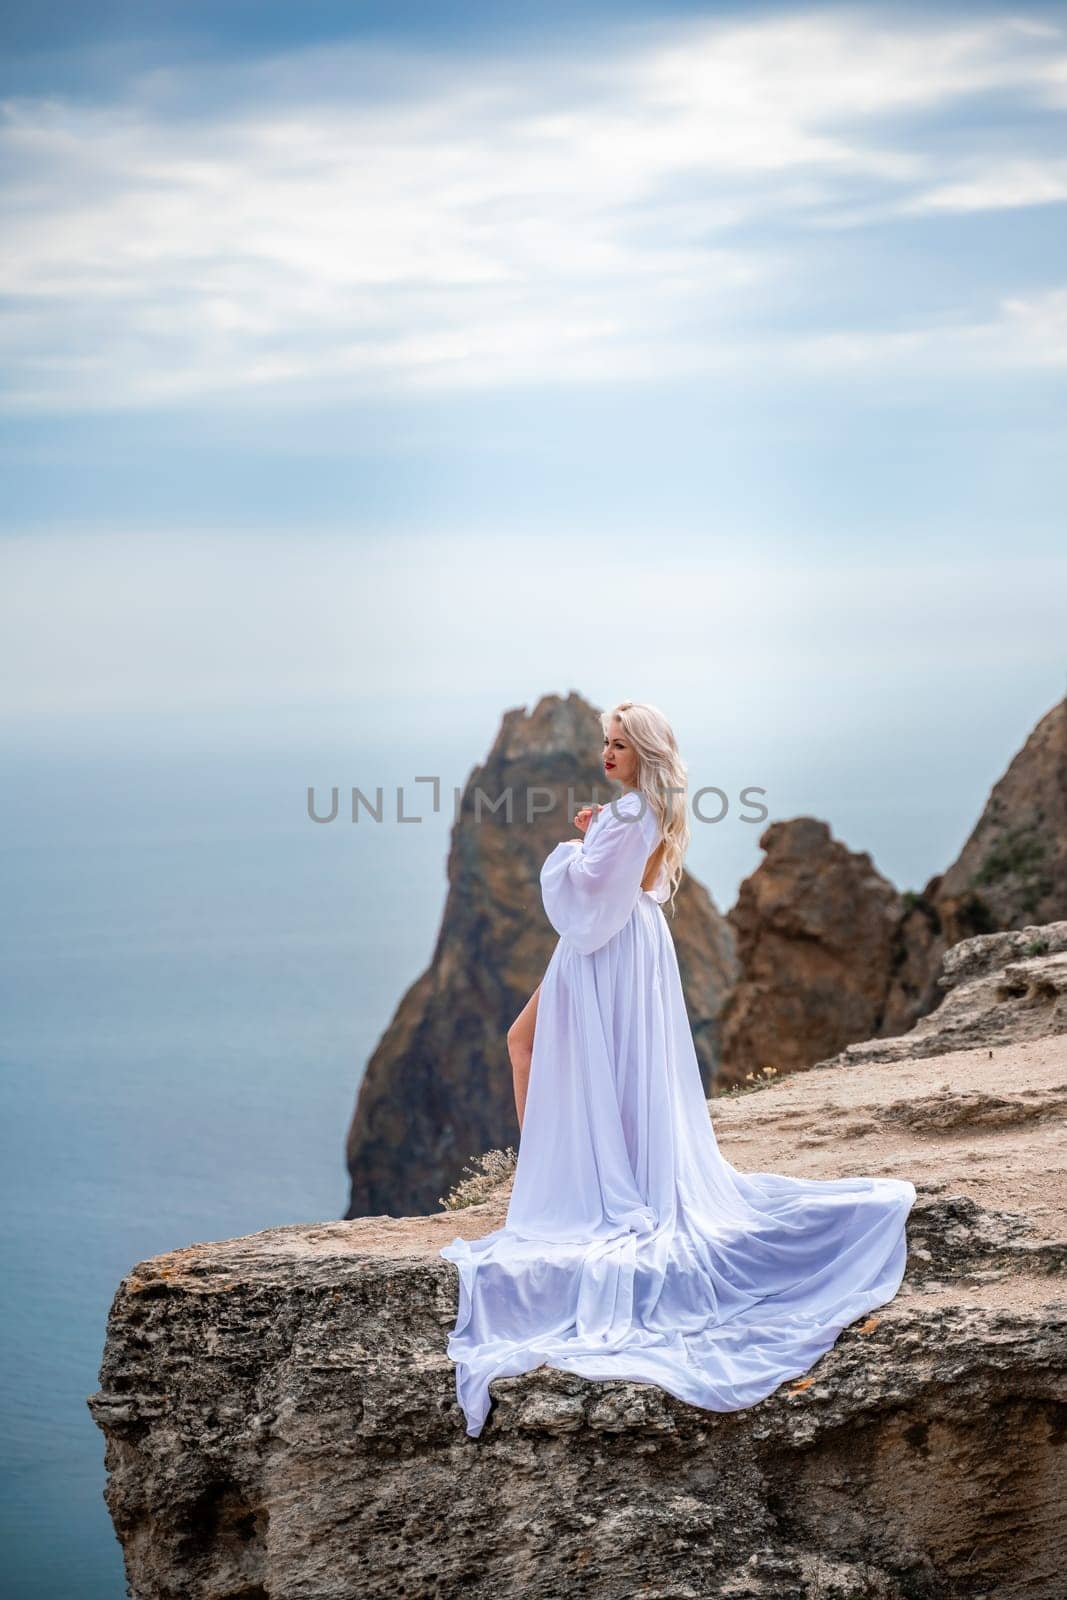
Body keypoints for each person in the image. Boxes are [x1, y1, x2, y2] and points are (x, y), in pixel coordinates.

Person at [439, 700, 916, 1439]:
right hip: (630, 949)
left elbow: (586, 903)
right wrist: (604, 830)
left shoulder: (632, 815)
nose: (607, 752)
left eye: (620, 744)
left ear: (644, 751)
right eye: (605, 742)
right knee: (562, 1054)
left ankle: (554, 1181)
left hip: (602, 954)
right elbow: (637, 884)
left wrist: (570, 851)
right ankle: (558, 1175)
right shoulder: (647, 809)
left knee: (523, 1043)